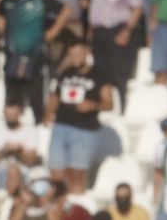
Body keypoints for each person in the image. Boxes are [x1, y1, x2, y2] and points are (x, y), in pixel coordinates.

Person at [44, 42, 115, 194]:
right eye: (71, 54)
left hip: (85, 129)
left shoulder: (99, 75)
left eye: (78, 54)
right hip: (61, 126)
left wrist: (93, 105)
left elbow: (109, 103)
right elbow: (55, 96)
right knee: (56, 172)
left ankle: (75, 202)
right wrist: (48, 113)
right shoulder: (66, 73)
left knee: (77, 173)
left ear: (87, 53)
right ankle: (59, 202)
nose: (74, 57)